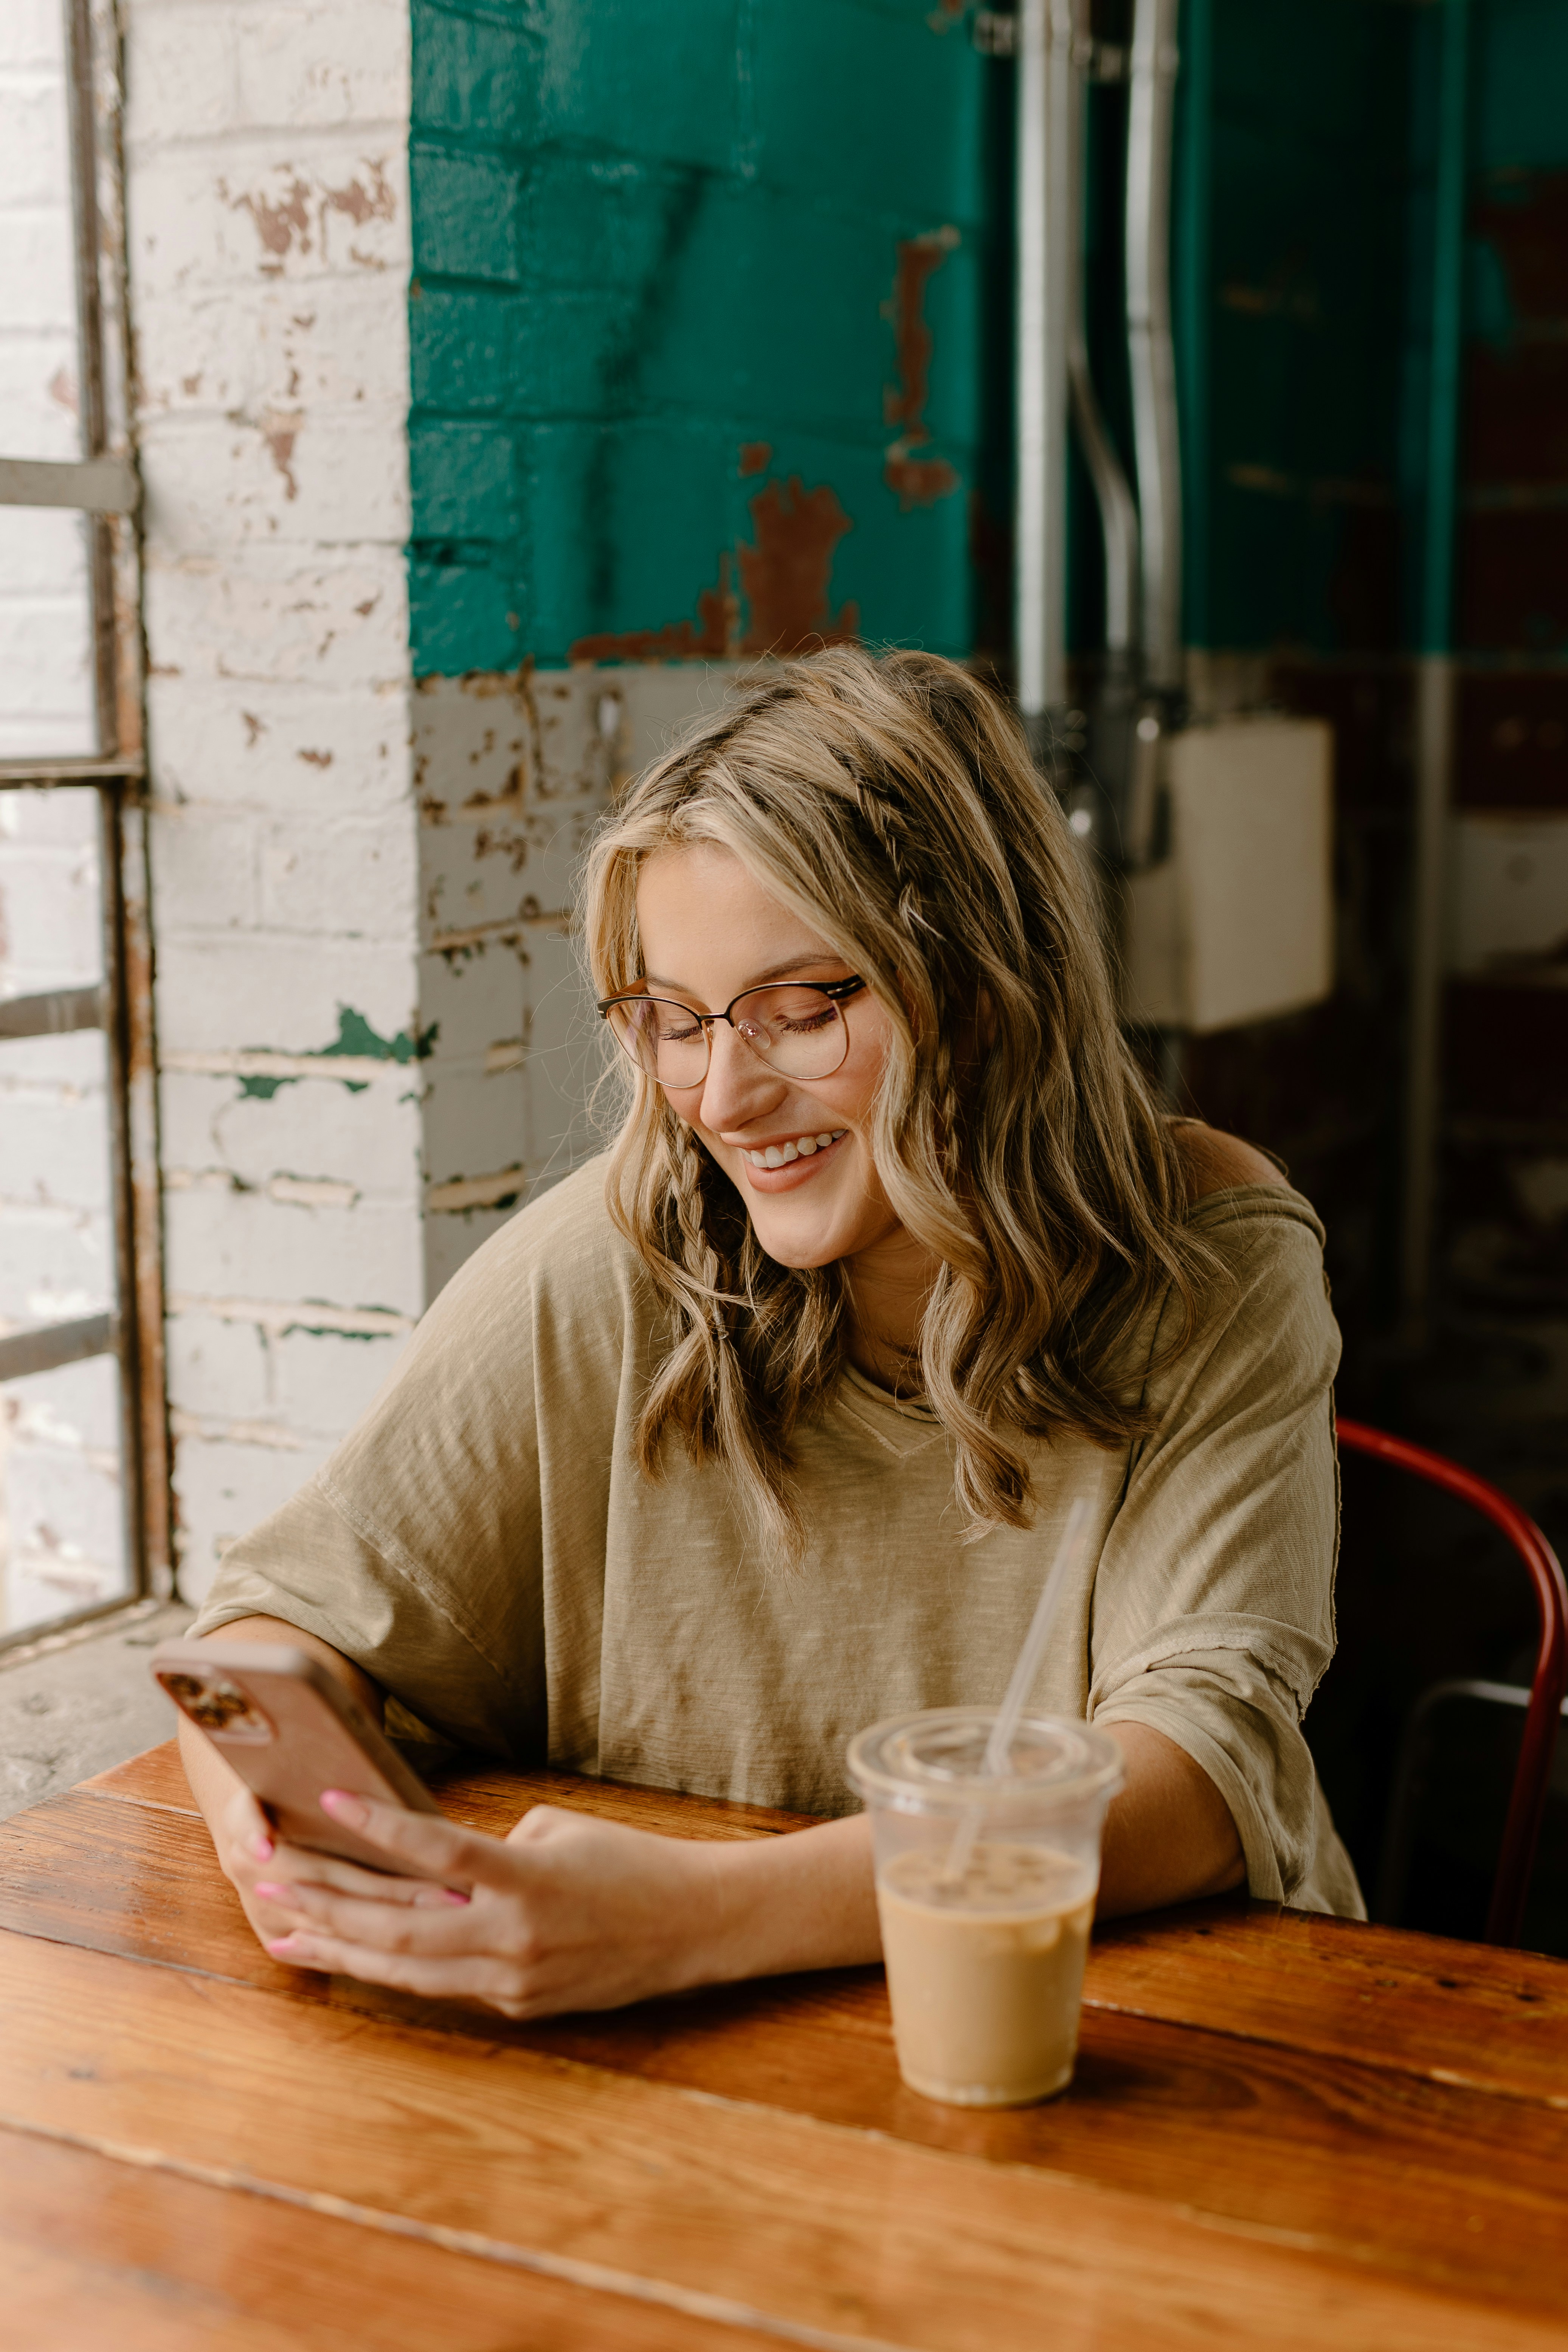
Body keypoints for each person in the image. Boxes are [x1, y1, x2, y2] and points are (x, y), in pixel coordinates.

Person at [181, 646, 1363, 2021]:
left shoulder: (1209, 1263)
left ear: (980, 992)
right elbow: (266, 1636)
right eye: (673, 1021)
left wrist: (682, 1923)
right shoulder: (615, 1254)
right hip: (738, 2070)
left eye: (800, 1009)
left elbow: (1201, 1778)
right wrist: (293, 1851)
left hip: (1158, 2041)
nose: (722, 1095)